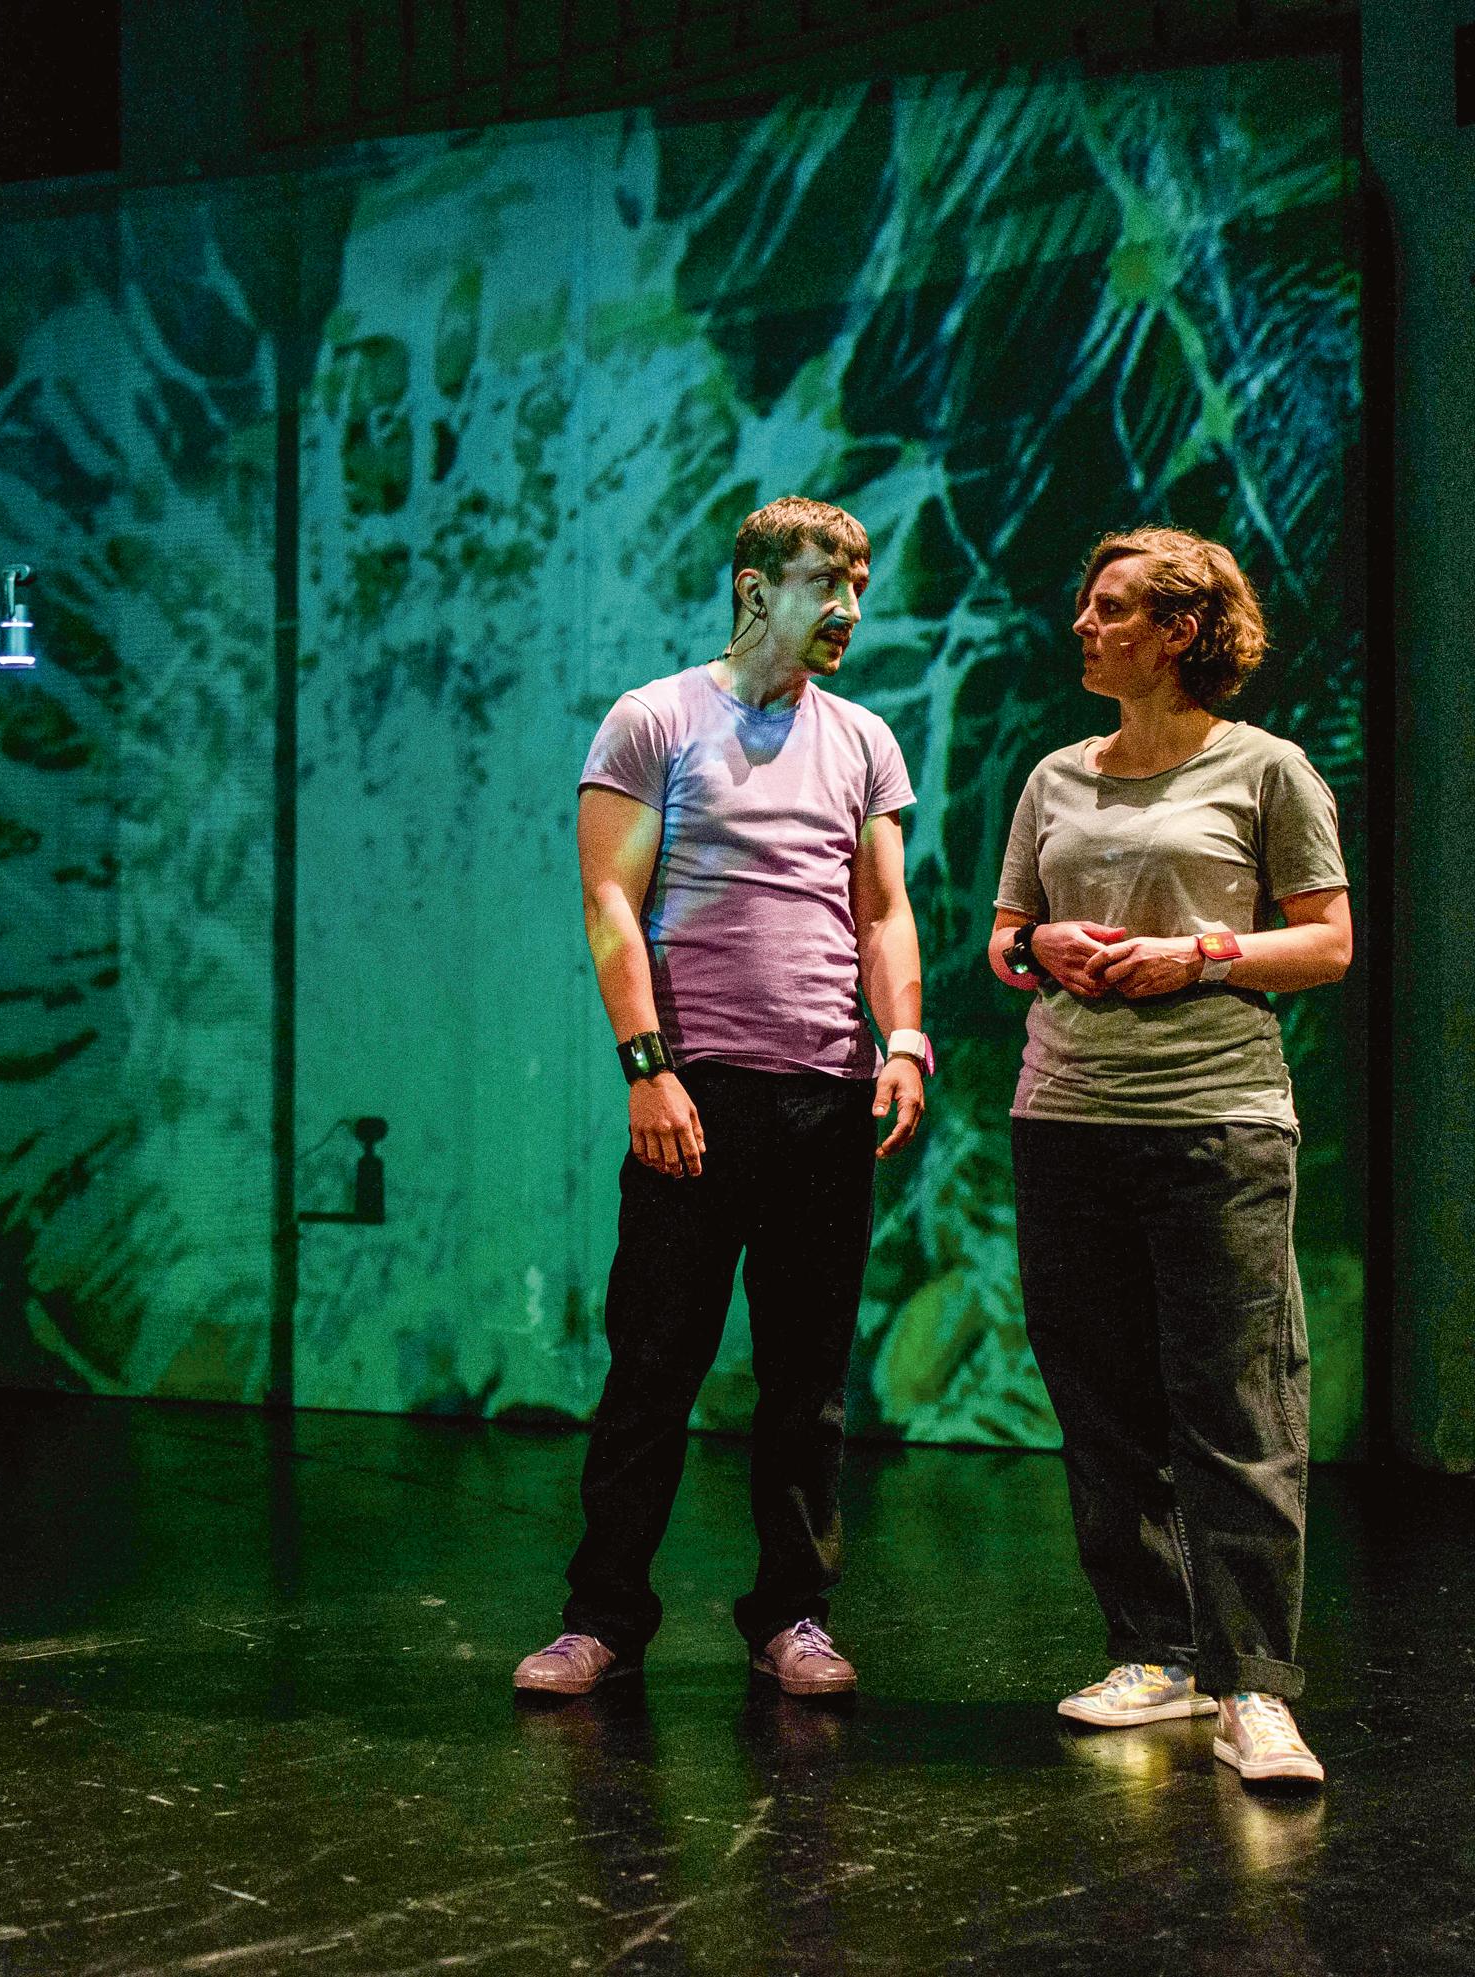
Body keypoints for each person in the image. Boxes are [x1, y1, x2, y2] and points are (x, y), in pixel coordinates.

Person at [513, 496, 929, 1702]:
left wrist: (900, 1038)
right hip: (692, 1096)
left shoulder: (862, 740)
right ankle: (602, 1619)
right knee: (653, 1366)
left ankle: (791, 1616)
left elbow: (882, 912)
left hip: (825, 1098)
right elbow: (610, 909)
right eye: (824, 583)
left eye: (859, 582)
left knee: (806, 1382)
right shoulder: (655, 720)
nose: (849, 607)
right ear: (754, 589)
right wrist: (649, 1070)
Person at [985, 524, 1352, 1788]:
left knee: (1235, 1407)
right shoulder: (1054, 776)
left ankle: (1254, 1687)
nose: (1083, 627)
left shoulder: (1268, 771)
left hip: (1215, 1123)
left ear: (1180, 632)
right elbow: (1005, 937)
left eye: (1109, 610)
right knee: (1101, 1406)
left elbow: (1326, 946)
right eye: (1085, 608)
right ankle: (1152, 1655)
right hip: (1067, 1116)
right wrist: (1048, 951)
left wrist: (1196, 954)